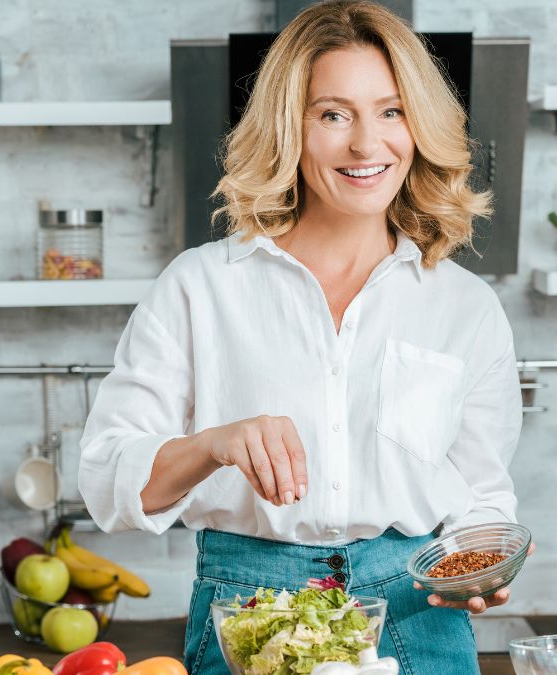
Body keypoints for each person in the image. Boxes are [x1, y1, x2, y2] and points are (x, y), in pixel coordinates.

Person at [79, 1, 523, 672]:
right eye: (333, 114)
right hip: (251, 616)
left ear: (418, 127)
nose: (367, 145)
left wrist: (481, 562)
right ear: (291, 127)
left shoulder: (466, 307)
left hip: (417, 617)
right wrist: (215, 443)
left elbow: (481, 496)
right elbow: (109, 481)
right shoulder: (200, 287)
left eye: (391, 111)